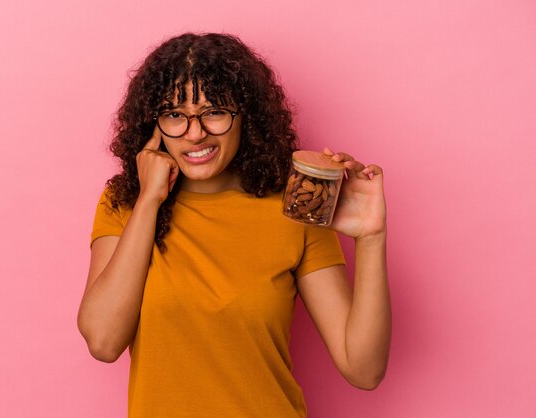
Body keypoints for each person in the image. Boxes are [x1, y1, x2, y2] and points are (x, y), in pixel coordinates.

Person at [77, 32, 391, 417]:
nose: (195, 133)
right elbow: (103, 342)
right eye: (175, 114)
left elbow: (363, 369)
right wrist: (149, 199)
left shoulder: (294, 207)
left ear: (247, 117)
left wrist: (371, 238)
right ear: (153, 124)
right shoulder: (124, 203)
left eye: (214, 112)